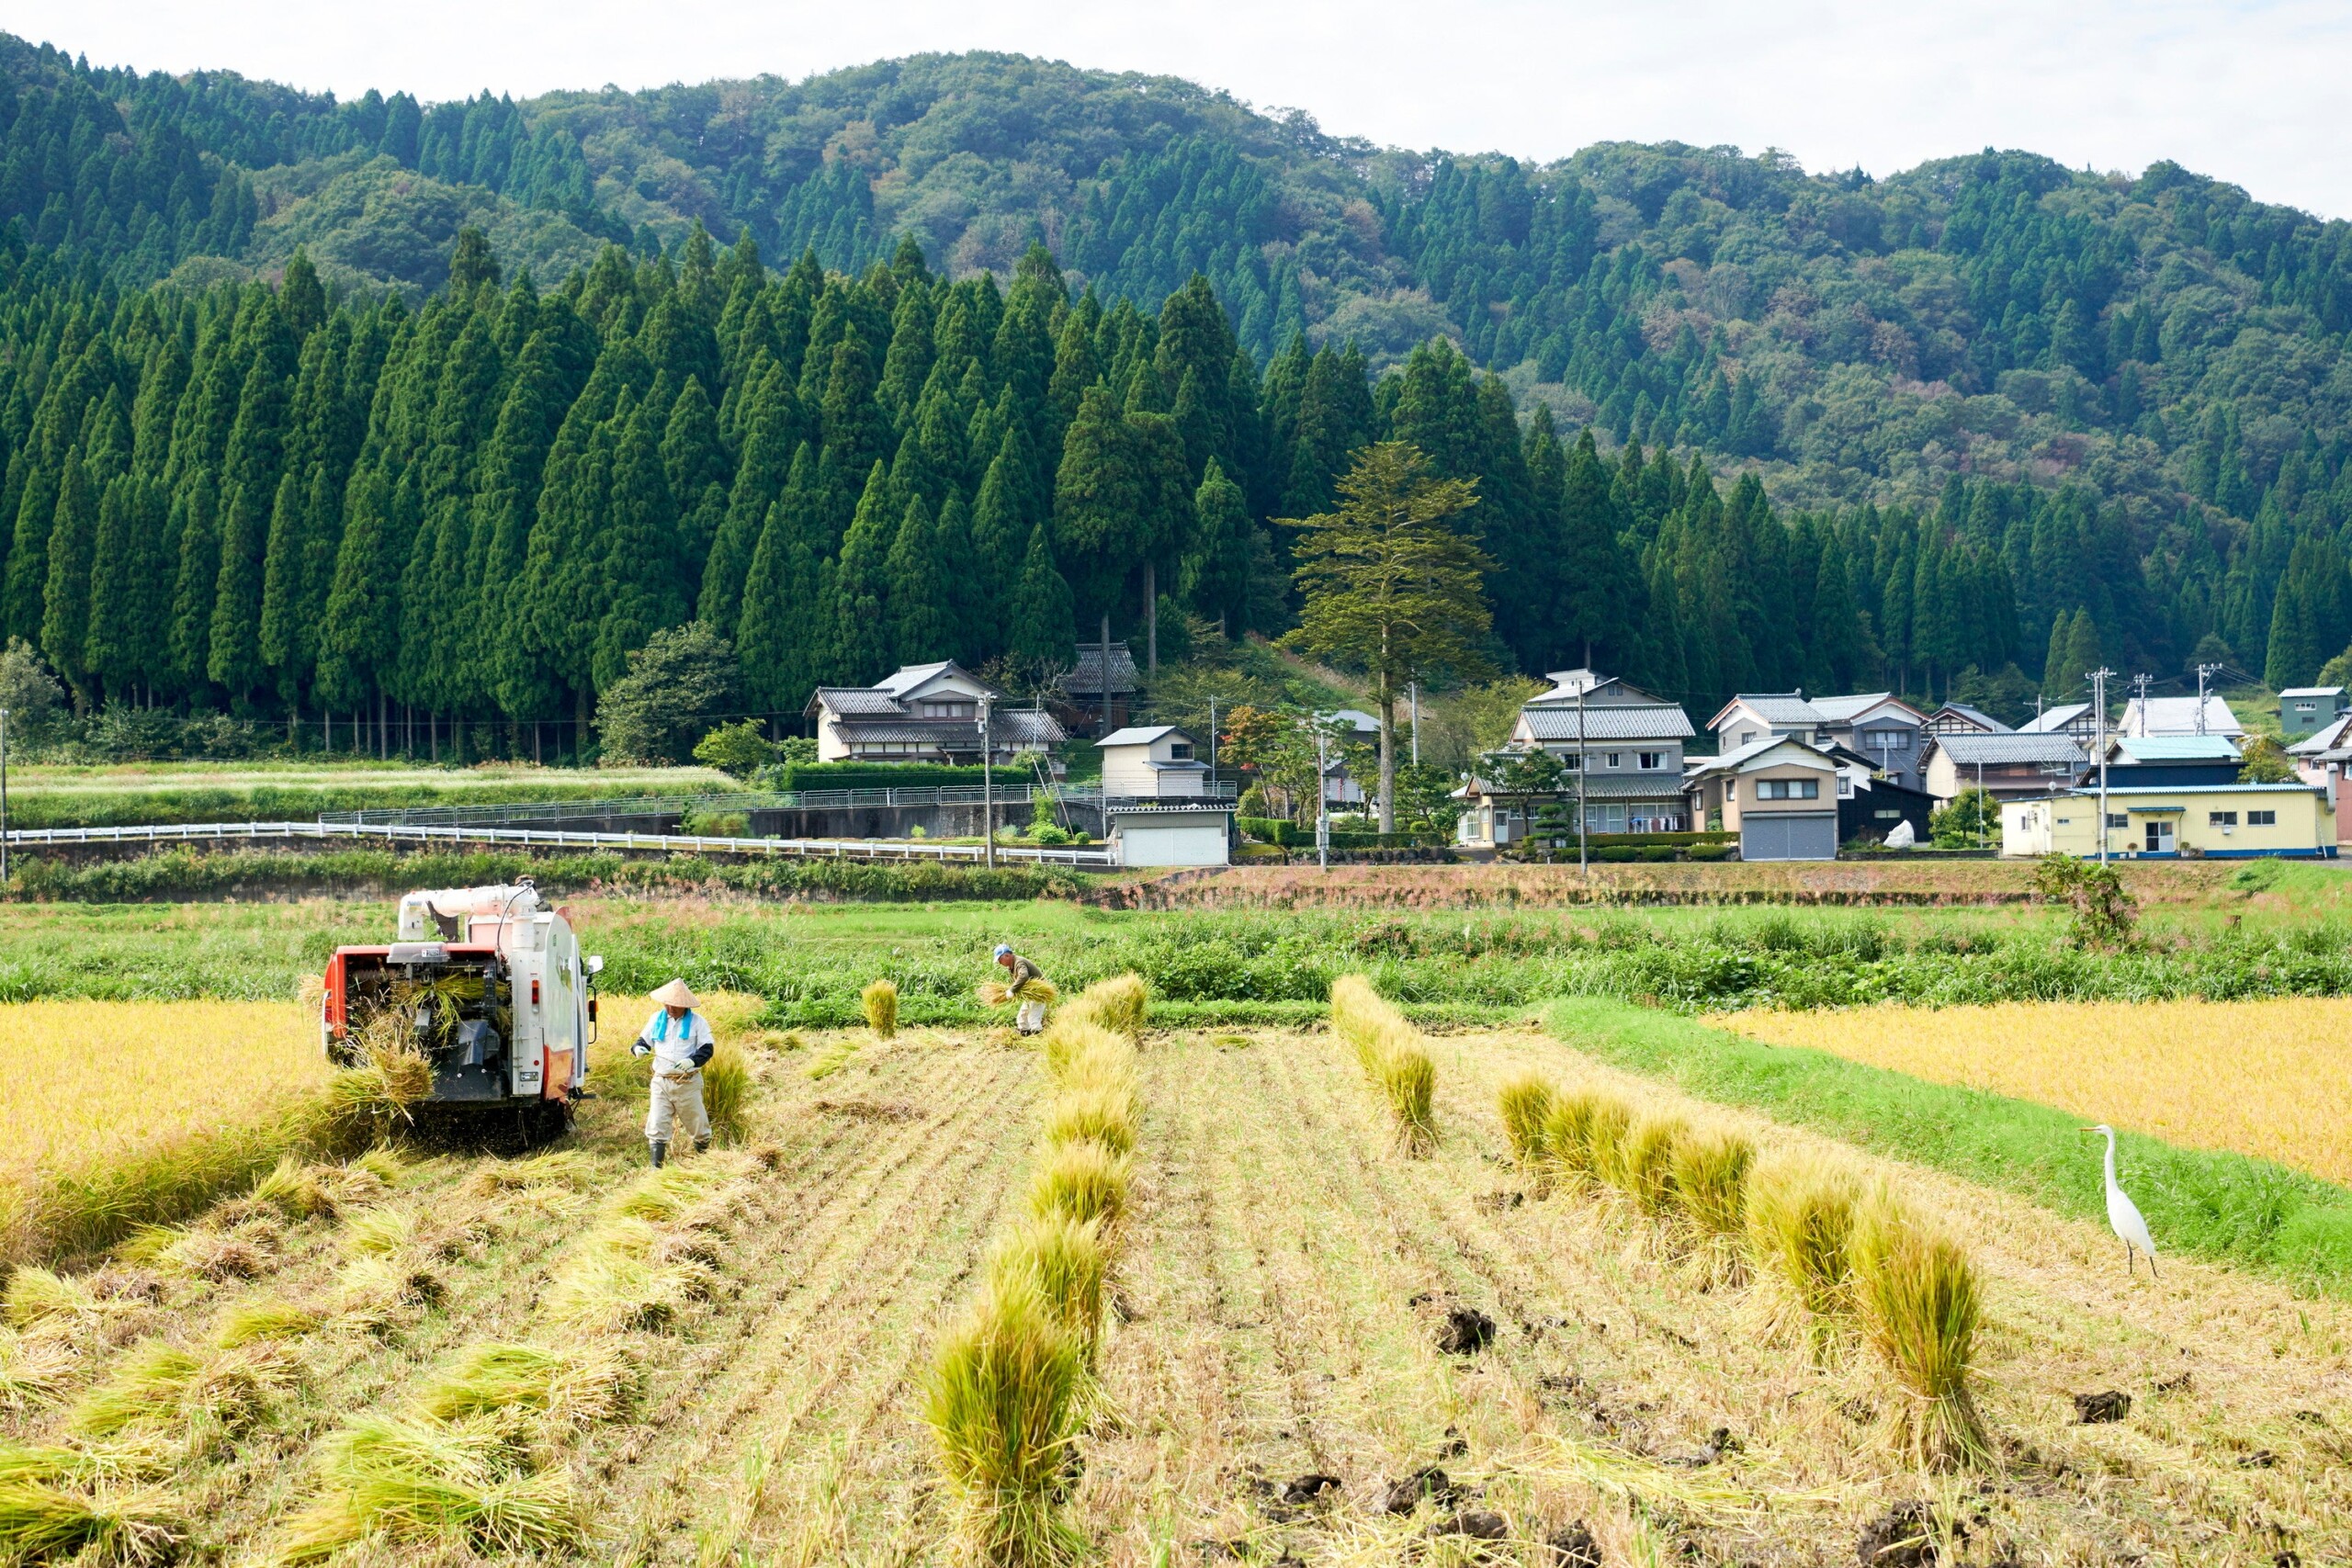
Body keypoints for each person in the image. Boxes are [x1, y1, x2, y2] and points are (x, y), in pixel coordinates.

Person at [634, 977, 714, 1168]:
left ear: (685, 1005)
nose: (671, 1008)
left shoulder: (697, 1022)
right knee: (657, 1123)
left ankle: (704, 1163)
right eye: (668, 1004)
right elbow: (642, 1041)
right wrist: (638, 1049)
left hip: (687, 1082)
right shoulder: (656, 1019)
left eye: (676, 1005)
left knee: (698, 1124)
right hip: (661, 1081)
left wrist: (692, 1060)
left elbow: (707, 1049)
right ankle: (656, 1169)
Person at [994, 943, 1049, 1034]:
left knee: (1033, 1018)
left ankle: (1038, 1039)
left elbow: (1023, 976)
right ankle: (1024, 1033)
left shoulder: (1019, 962)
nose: (1000, 963)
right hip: (1031, 993)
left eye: (1000, 959)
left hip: (1038, 993)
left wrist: (1012, 990)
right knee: (1022, 1017)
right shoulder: (1012, 966)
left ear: (1007, 955)